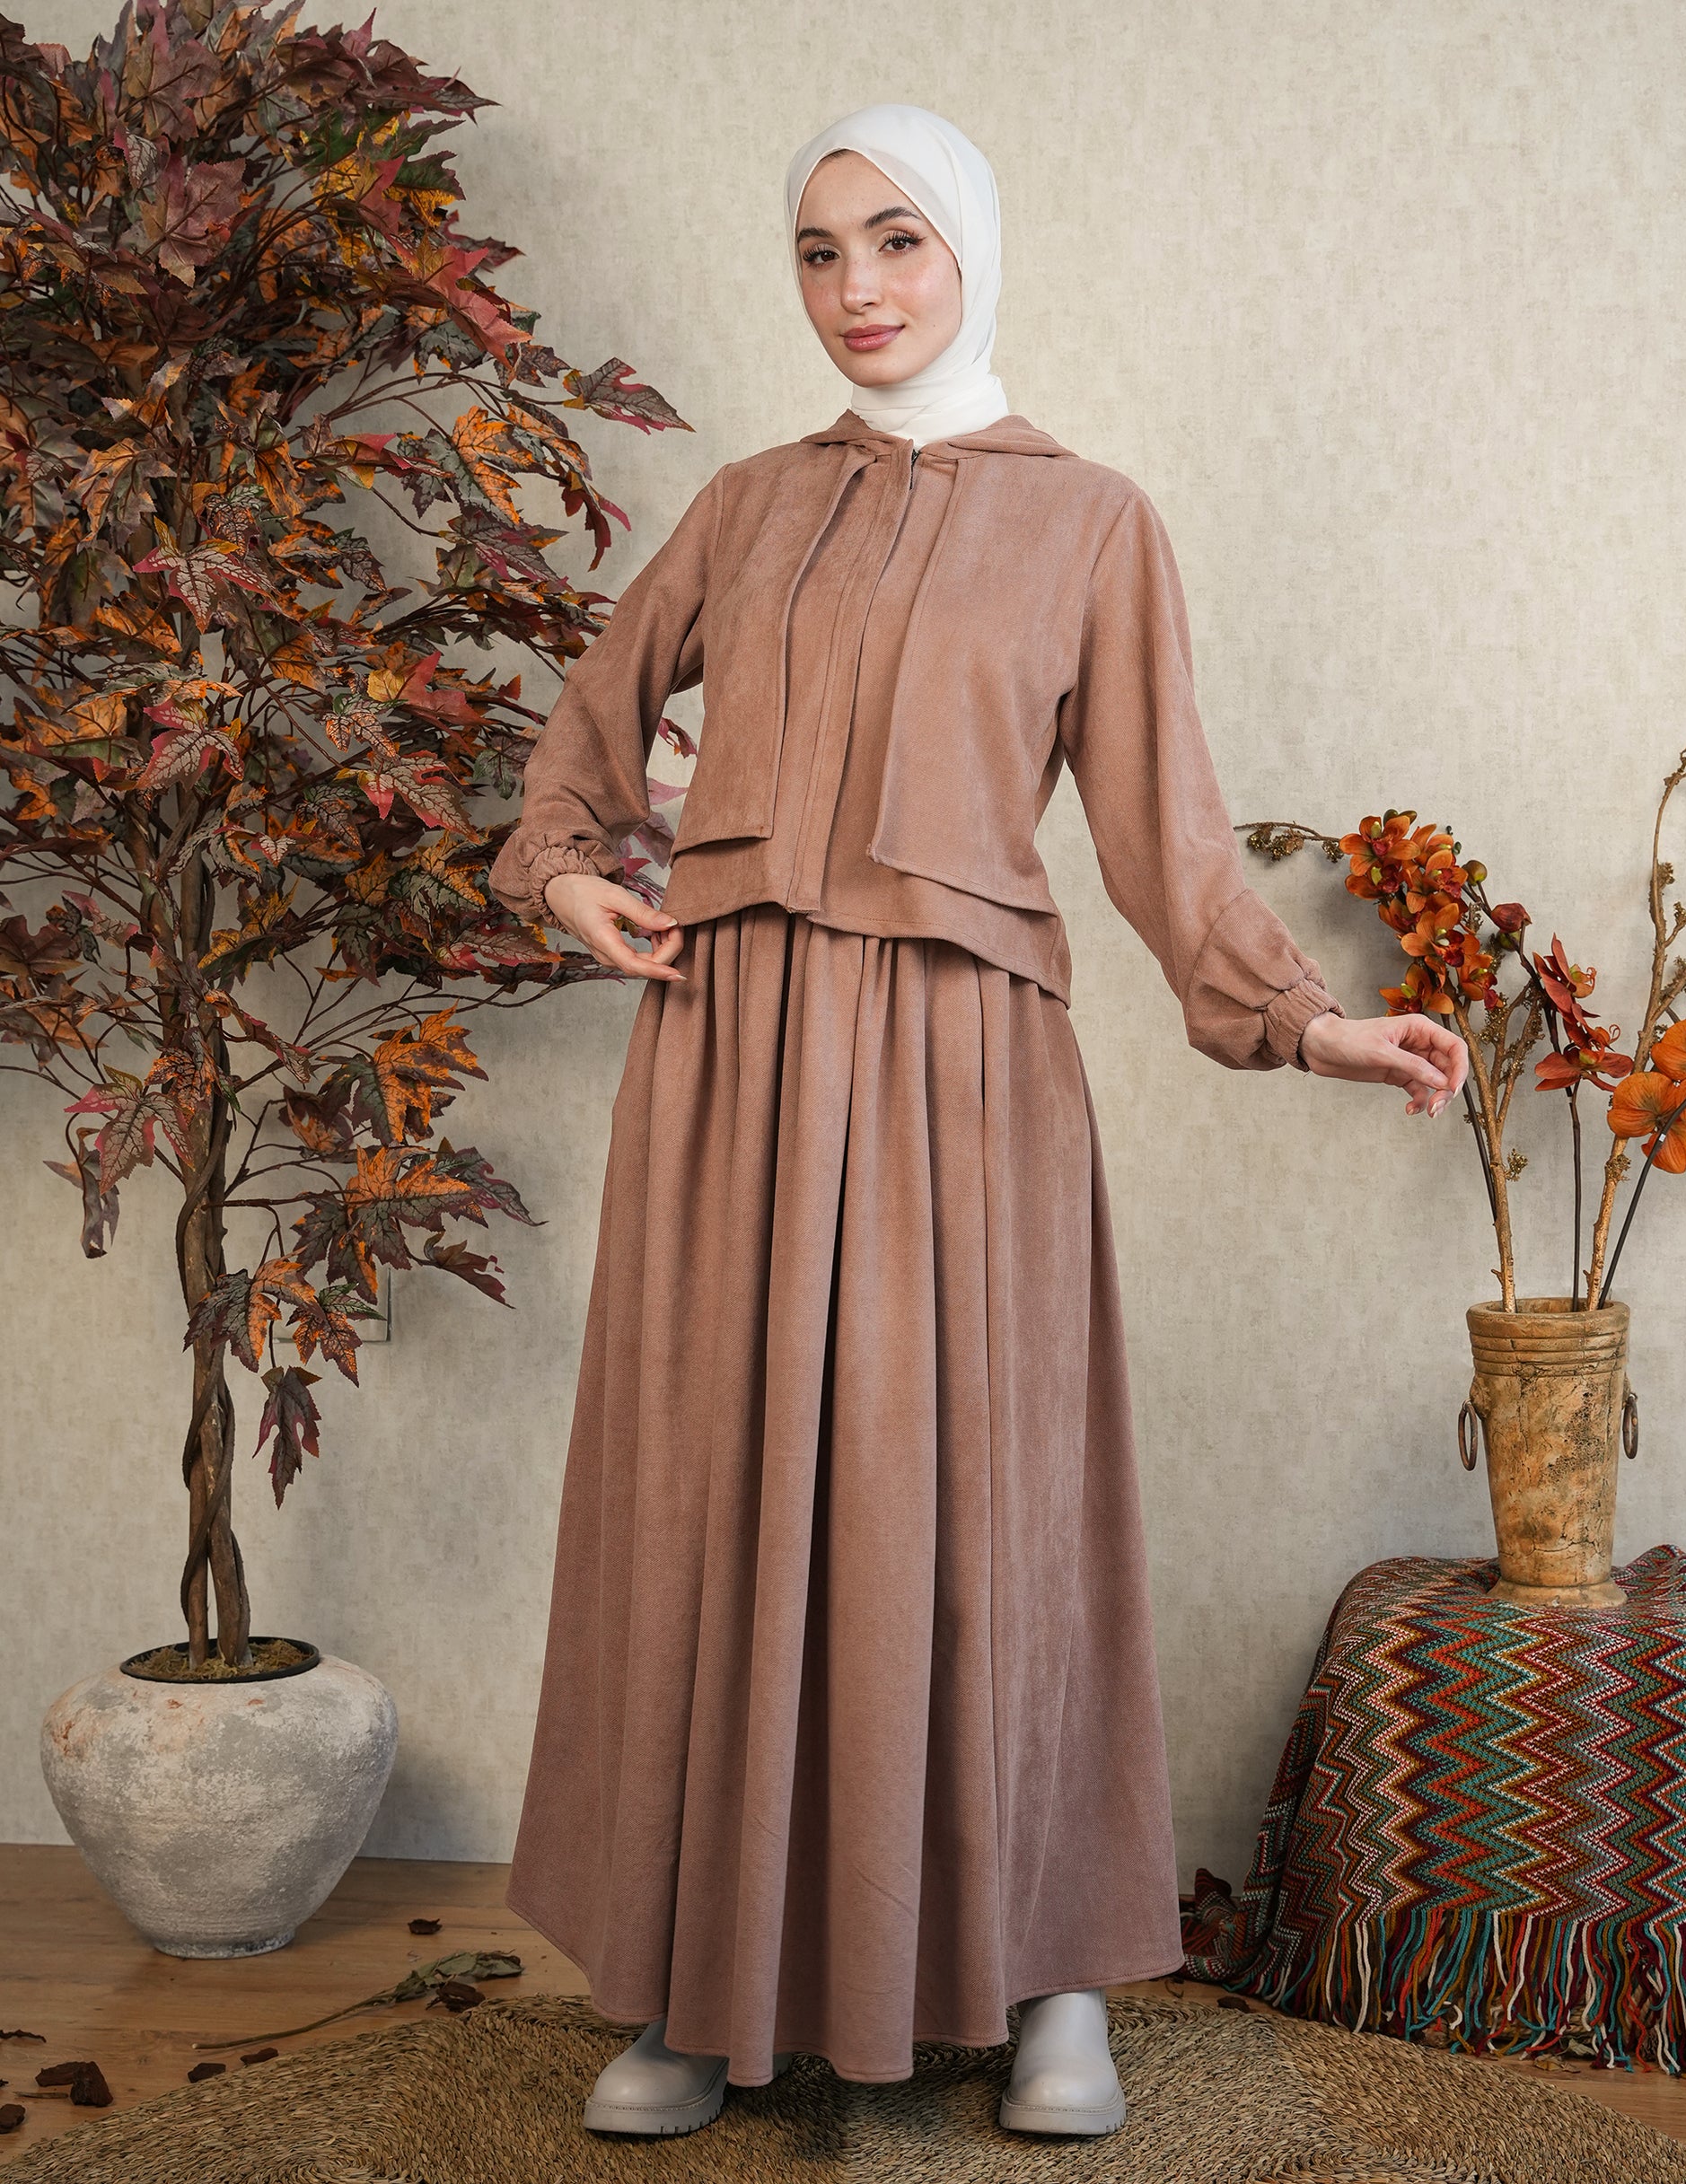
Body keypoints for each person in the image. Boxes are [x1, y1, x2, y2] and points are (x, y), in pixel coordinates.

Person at [487, 101, 1467, 2140]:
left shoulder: (1089, 520)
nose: (856, 288)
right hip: (732, 1061)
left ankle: (1050, 1979)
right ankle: (696, 1983)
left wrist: (1308, 1024)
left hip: (960, 1071)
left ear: (971, 253)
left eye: (898, 241)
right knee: (717, 1493)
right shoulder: (745, 505)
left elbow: (1166, 835)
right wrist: (573, 874)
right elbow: (583, 741)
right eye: (820, 250)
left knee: (984, 1511)